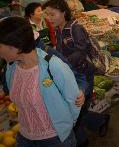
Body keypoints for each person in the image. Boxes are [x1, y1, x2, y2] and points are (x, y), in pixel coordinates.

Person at [0, 17, 81, 146]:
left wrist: (64, 128)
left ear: (15, 46)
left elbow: (75, 101)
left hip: (55, 139)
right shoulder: (11, 67)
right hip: (25, 136)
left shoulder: (53, 66)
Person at [43, 0, 100, 146]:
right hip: (70, 75)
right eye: (47, 15)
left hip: (83, 74)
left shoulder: (75, 28)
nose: (49, 18)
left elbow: (81, 52)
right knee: (78, 107)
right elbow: (62, 49)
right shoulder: (58, 30)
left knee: (79, 108)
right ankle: (99, 122)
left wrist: (61, 62)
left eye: (52, 14)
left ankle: (82, 140)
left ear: (63, 12)